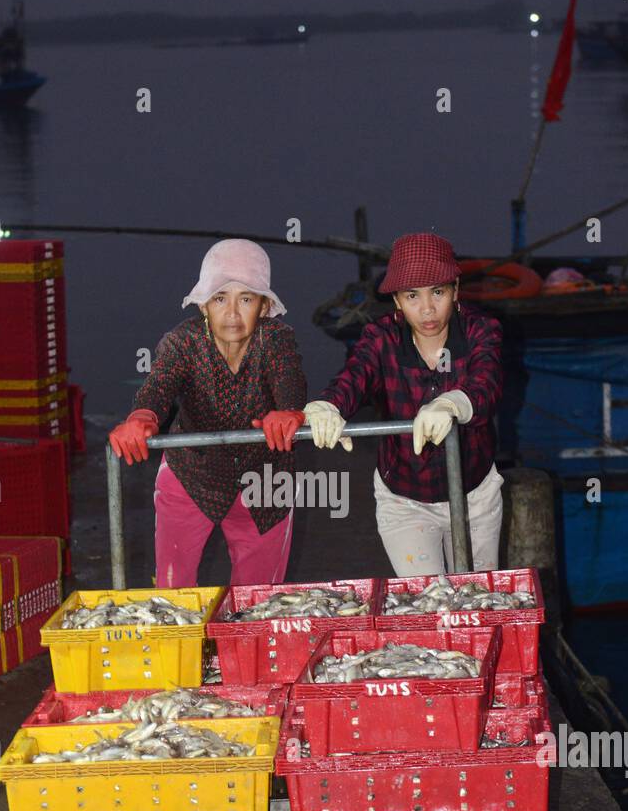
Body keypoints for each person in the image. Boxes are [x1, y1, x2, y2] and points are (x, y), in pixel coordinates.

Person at [109, 239, 307, 587]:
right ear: (203, 306)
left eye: (245, 299)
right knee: (173, 590)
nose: (231, 313)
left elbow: (288, 376)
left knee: (258, 597)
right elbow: (160, 383)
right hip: (191, 474)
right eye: (220, 298)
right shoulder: (182, 342)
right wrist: (142, 416)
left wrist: (289, 410)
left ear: (263, 307)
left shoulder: (276, 338)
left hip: (264, 481)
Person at [303, 232, 503, 575]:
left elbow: (487, 383)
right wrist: (328, 406)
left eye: (437, 292)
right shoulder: (381, 338)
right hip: (405, 501)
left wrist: (454, 402)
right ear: (397, 300)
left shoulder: (481, 330)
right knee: (426, 604)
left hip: (475, 498)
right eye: (412, 296)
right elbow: (356, 374)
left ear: (455, 289)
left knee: (476, 605)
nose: (427, 308)